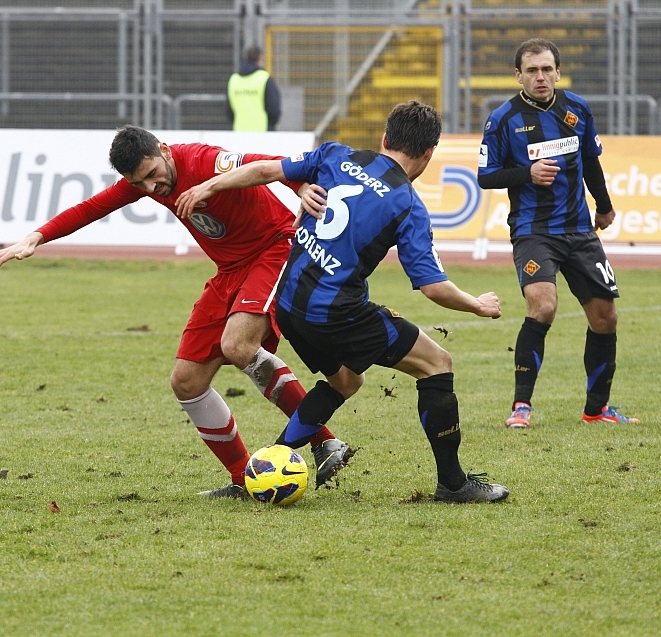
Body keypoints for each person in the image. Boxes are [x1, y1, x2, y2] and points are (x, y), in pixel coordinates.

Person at [0, 125, 351, 498]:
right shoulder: (147, 181)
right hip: (229, 271)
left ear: (164, 150)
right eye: (139, 183)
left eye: (152, 174)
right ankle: (242, 479)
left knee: (238, 345)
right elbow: (92, 207)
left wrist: (299, 187)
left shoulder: (205, 161)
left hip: (274, 249)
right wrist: (37, 237)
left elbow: (267, 165)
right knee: (186, 382)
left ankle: (324, 441)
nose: (151, 187)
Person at [176, 100, 510, 503]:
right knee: (437, 363)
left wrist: (210, 185)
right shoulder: (407, 204)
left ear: (385, 138)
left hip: (289, 306)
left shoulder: (336, 155)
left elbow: (264, 170)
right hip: (336, 313)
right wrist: (477, 304)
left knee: (346, 380)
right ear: (429, 153)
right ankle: (454, 485)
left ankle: (268, 466)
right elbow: (433, 287)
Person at [477, 38, 640, 429]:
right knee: (543, 305)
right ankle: (521, 407)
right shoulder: (502, 119)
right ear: (518, 75)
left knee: (606, 317)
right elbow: (486, 176)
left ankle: (597, 409)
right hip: (534, 230)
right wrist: (527, 173)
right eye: (532, 70)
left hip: (579, 230)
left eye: (547, 69)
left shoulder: (577, 109)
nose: (540, 77)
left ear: (558, 72)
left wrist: (604, 206)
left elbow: (591, 162)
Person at [226, 46, 282, 132]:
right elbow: (273, 108)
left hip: (240, 131)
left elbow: (229, 110)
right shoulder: (264, 78)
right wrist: (271, 126)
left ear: (246, 57)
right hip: (262, 132)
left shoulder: (234, 79)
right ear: (260, 58)